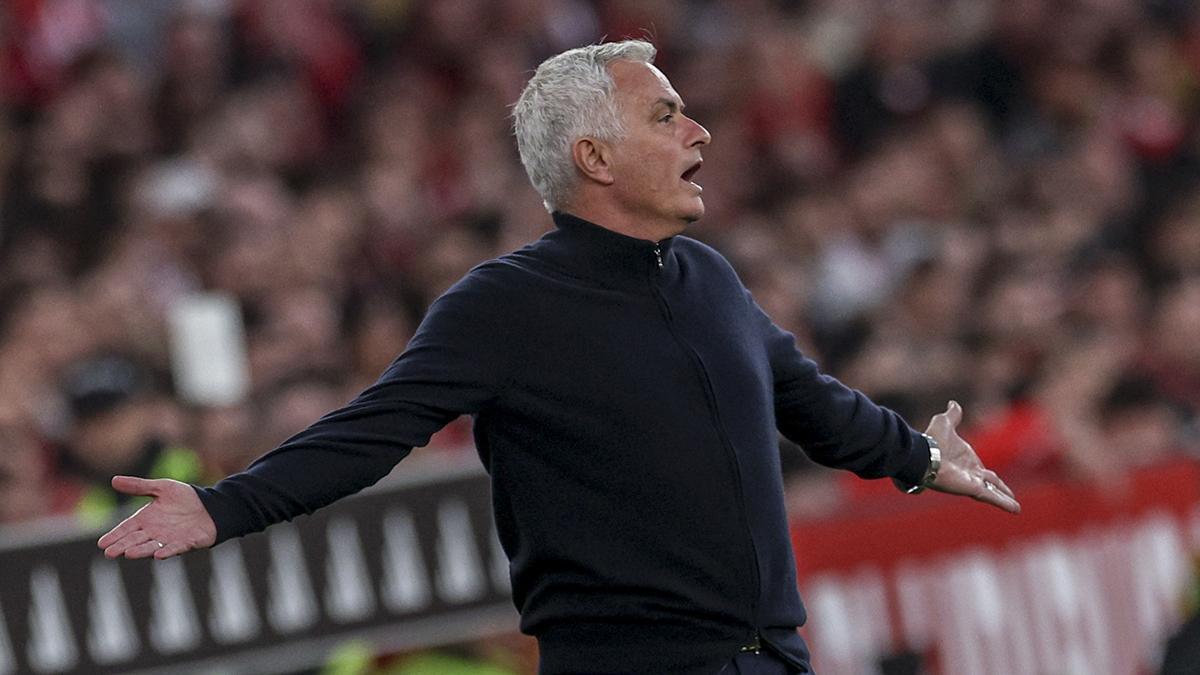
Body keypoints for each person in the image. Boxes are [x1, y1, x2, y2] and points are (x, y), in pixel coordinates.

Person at [97, 40, 1019, 675]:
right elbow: (373, 430)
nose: (698, 133)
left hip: (771, 659)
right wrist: (225, 504)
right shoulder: (503, 305)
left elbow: (810, 402)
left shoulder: (708, 277)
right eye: (666, 116)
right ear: (595, 157)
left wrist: (923, 458)